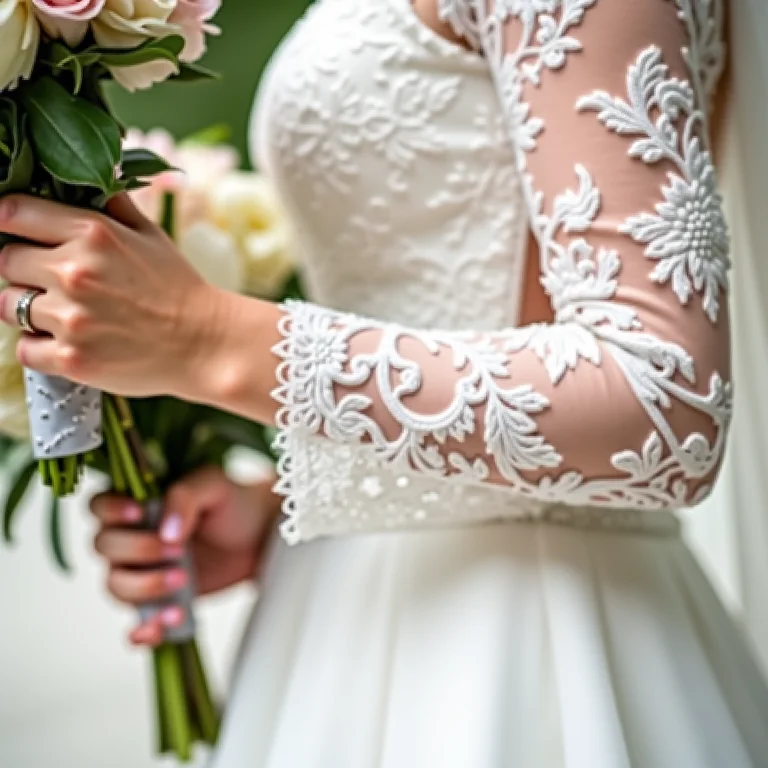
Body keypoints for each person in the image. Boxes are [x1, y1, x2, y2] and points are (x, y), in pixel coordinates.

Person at [2, 0, 768, 765]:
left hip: (536, 652)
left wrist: (203, 337)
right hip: (338, 633)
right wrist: (275, 513)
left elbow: (663, 404)